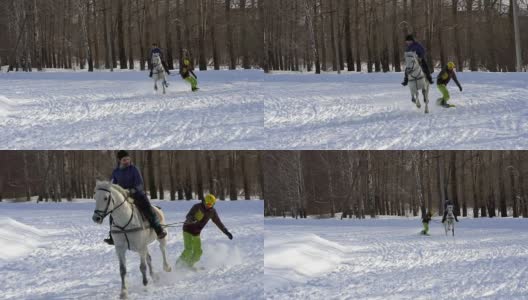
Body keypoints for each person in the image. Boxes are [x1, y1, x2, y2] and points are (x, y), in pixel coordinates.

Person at [104, 150, 167, 245]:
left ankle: (158, 229)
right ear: (119, 160)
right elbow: (113, 185)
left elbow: (140, 184)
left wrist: (132, 190)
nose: (127, 161)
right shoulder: (116, 172)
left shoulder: (133, 169)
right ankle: (112, 236)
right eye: (124, 160)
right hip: (123, 198)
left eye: (128, 159)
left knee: (148, 209)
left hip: (137, 194)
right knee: (113, 212)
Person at [176, 194, 233, 269]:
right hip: (188, 229)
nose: (208, 205)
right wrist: (191, 219)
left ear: (213, 204)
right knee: (188, 250)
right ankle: (177, 265)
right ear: (204, 201)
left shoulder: (212, 212)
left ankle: (189, 265)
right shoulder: (197, 206)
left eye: (210, 204)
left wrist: (226, 231)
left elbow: (218, 222)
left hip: (196, 233)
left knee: (198, 252)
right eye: (206, 203)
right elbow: (188, 216)